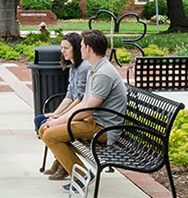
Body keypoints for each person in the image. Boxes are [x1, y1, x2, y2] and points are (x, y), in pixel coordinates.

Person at [39, 30, 128, 183]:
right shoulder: (95, 69)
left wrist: (59, 122)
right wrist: (58, 118)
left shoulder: (103, 74)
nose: (79, 49)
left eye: (81, 46)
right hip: (93, 122)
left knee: (50, 134)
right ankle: (72, 170)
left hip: (104, 129)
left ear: (88, 48)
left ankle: (82, 177)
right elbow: (83, 103)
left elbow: (88, 110)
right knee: (44, 129)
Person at [37, 32, 91, 180]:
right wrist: (55, 113)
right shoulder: (73, 67)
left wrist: (59, 117)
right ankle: (62, 162)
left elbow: (79, 100)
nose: (62, 51)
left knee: (48, 129)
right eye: (62, 48)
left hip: (85, 117)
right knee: (41, 123)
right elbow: (69, 95)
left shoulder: (85, 68)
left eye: (66, 48)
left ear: (76, 48)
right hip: (78, 113)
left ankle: (72, 170)